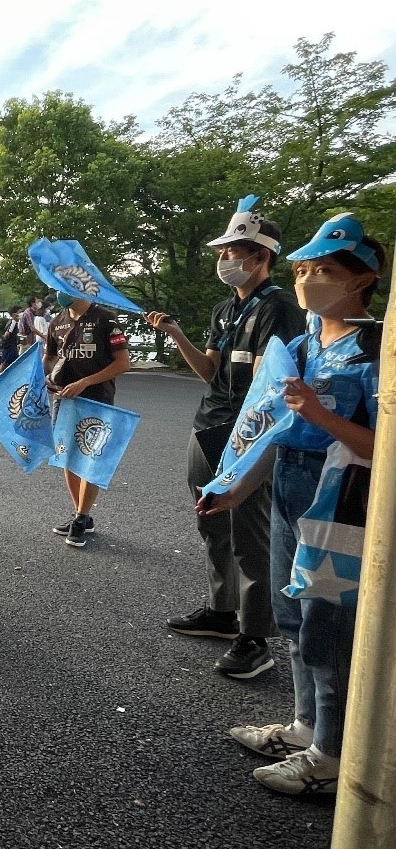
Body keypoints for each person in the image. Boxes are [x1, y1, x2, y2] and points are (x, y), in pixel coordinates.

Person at [204, 214, 385, 796]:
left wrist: (320, 415)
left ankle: (331, 755)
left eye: (324, 270)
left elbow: (381, 447)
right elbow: (270, 429)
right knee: (293, 617)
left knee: (328, 628)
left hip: (344, 501)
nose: (307, 281)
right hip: (289, 487)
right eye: (303, 270)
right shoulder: (302, 345)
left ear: (362, 279)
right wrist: (237, 488)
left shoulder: (377, 347)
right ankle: (305, 727)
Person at [146, 199, 305, 679]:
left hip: (248, 435)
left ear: (261, 256)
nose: (224, 258)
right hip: (209, 424)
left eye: (233, 251)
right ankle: (221, 611)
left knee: (250, 532)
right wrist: (176, 334)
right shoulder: (224, 309)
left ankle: (255, 636)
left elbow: (268, 384)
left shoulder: (279, 307)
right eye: (223, 250)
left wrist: (250, 439)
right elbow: (209, 371)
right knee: (210, 520)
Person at [43, 289, 131, 548]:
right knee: (67, 456)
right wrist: (44, 377)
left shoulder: (106, 319)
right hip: (63, 399)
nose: (60, 292)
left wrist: (85, 382)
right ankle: (81, 514)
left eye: (66, 285)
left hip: (97, 399)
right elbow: (49, 358)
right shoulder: (57, 321)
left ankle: (82, 517)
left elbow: (123, 363)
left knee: (91, 458)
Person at [0, 304, 22, 372]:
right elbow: (7, 334)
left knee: (11, 363)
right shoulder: (13, 322)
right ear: (14, 314)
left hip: (12, 346)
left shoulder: (11, 322)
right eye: (19, 312)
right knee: (5, 363)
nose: (21, 314)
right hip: (10, 346)